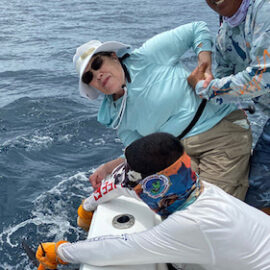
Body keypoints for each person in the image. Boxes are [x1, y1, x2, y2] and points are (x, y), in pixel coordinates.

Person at [35, 132, 270, 270]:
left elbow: (120, 247)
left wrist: (61, 252)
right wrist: (87, 208)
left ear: (156, 186)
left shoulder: (190, 224)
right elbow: (123, 186)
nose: (135, 190)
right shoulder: (202, 190)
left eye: (140, 184)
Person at [73, 22, 252, 201]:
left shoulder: (147, 56)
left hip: (220, 134)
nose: (97, 75)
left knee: (212, 207)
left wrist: (205, 66)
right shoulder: (116, 116)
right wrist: (107, 168)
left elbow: (196, 29)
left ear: (113, 56)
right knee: (179, 207)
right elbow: (141, 150)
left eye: (97, 63)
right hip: (179, 154)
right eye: (89, 76)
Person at [187, 0, 270, 214]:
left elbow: (262, 77)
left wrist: (205, 88)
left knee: (258, 194)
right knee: (256, 192)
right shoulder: (225, 32)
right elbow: (225, 79)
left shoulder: (264, 9)